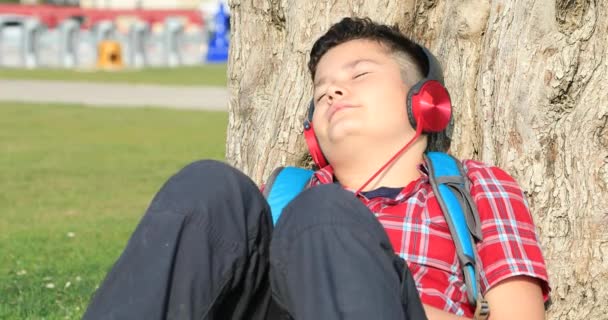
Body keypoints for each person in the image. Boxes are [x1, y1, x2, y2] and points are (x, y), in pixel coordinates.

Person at [83, 17, 550, 320]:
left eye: (359, 75)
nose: (331, 92)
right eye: (322, 88)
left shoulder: (473, 187)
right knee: (210, 185)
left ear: (425, 103)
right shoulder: (285, 199)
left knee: (326, 216)